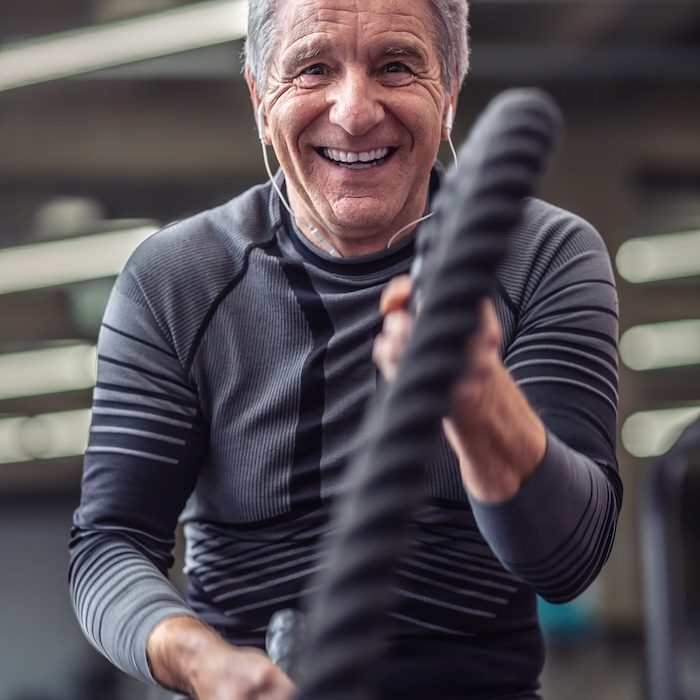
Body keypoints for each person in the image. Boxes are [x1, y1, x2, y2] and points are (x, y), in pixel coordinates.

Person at [69, 1, 622, 698]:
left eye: (396, 66)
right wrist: (203, 662)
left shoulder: (540, 257)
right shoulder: (175, 280)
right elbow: (107, 547)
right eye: (313, 69)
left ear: (449, 94)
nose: (355, 111)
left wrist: (481, 406)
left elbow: (567, 560)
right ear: (258, 98)